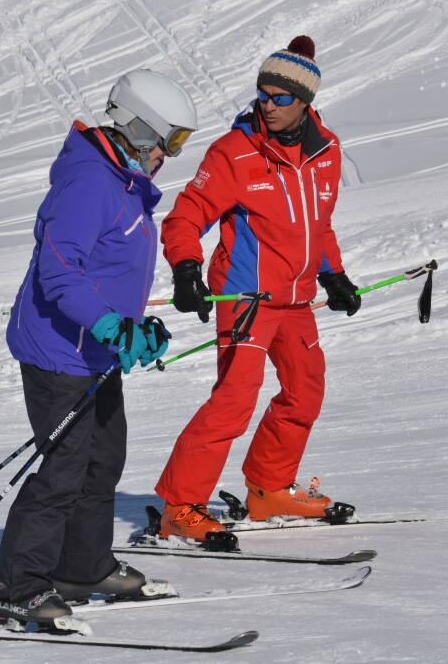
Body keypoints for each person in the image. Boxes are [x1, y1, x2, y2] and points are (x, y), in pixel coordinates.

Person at [0, 70, 198, 624]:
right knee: (62, 472)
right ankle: (19, 589)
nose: (170, 155)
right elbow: (61, 275)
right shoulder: (89, 183)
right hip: (59, 353)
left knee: (103, 461)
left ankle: (82, 566)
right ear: (138, 130)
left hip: (95, 352)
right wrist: (112, 326)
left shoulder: (122, 182)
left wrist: (134, 328)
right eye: (170, 141)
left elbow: (110, 270)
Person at [154, 36, 363, 541]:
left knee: (305, 389)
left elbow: (319, 223)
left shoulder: (327, 151)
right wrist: (187, 269)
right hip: (247, 298)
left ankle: (268, 489)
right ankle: (180, 507)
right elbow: (188, 216)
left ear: (305, 102)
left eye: (281, 98)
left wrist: (333, 274)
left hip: (295, 300)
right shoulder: (235, 152)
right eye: (263, 94)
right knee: (234, 399)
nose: (267, 105)